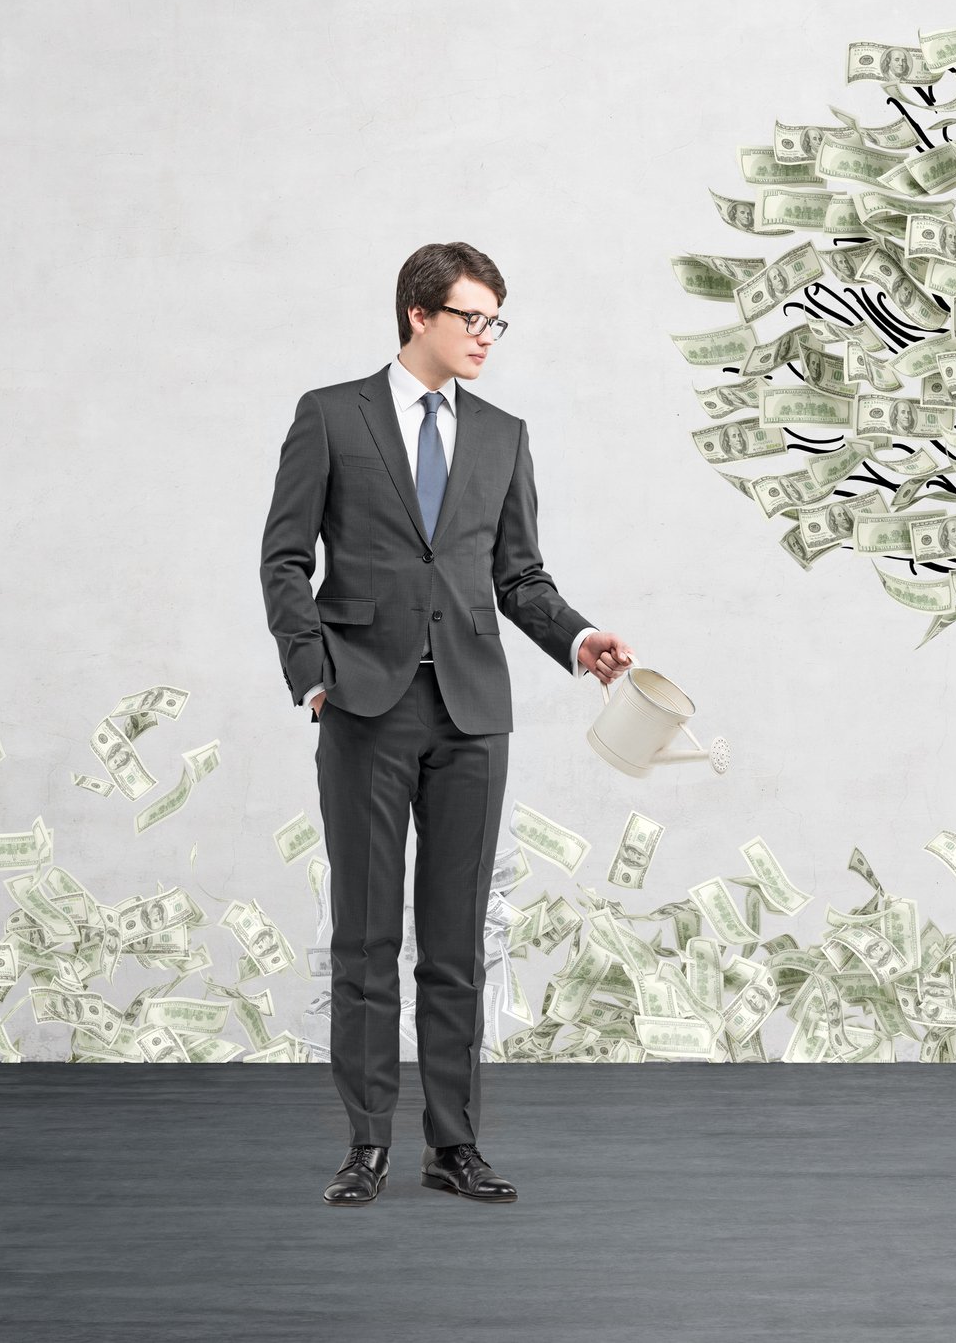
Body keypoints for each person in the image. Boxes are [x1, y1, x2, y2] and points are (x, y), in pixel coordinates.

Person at [261, 242, 634, 1208]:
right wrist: (312, 674)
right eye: (471, 317)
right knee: (364, 936)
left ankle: (453, 1143)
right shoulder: (331, 416)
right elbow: (285, 558)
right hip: (363, 705)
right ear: (418, 315)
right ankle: (365, 1144)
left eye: (495, 320)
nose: (486, 336)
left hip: (471, 711)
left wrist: (578, 637)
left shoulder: (503, 434)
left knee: (458, 940)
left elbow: (519, 575)